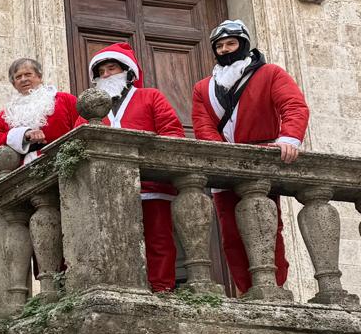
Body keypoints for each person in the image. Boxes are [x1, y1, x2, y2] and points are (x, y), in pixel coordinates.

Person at [190, 20, 310, 294]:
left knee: (267, 229)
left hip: (260, 164)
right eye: (219, 46)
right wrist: (222, 154)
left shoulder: (271, 73)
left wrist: (289, 138)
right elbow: (203, 125)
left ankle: (275, 288)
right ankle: (245, 290)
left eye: (230, 44)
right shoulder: (203, 88)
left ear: (243, 45)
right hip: (224, 167)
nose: (224, 50)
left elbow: (294, 106)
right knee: (231, 235)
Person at [89, 42, 186, 292]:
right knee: (114, 241)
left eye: (112, 68)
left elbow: (172, 132)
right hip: (107, 189)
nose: (106, 75)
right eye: (101, 72)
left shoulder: (150, 96)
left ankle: (161, 288)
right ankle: (122, 288)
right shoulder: (90, 109)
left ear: (128, 72)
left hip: (151, 184)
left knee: (158, 239)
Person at [0, 57, 83, 162]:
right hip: (25, 168)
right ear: (14, 84)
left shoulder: (65, 99)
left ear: (39, 77)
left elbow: (83, 125)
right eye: (18, 77)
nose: (23, 79)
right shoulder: (8, 113)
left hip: (66, 161)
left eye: (28, 74)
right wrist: (23, 135)